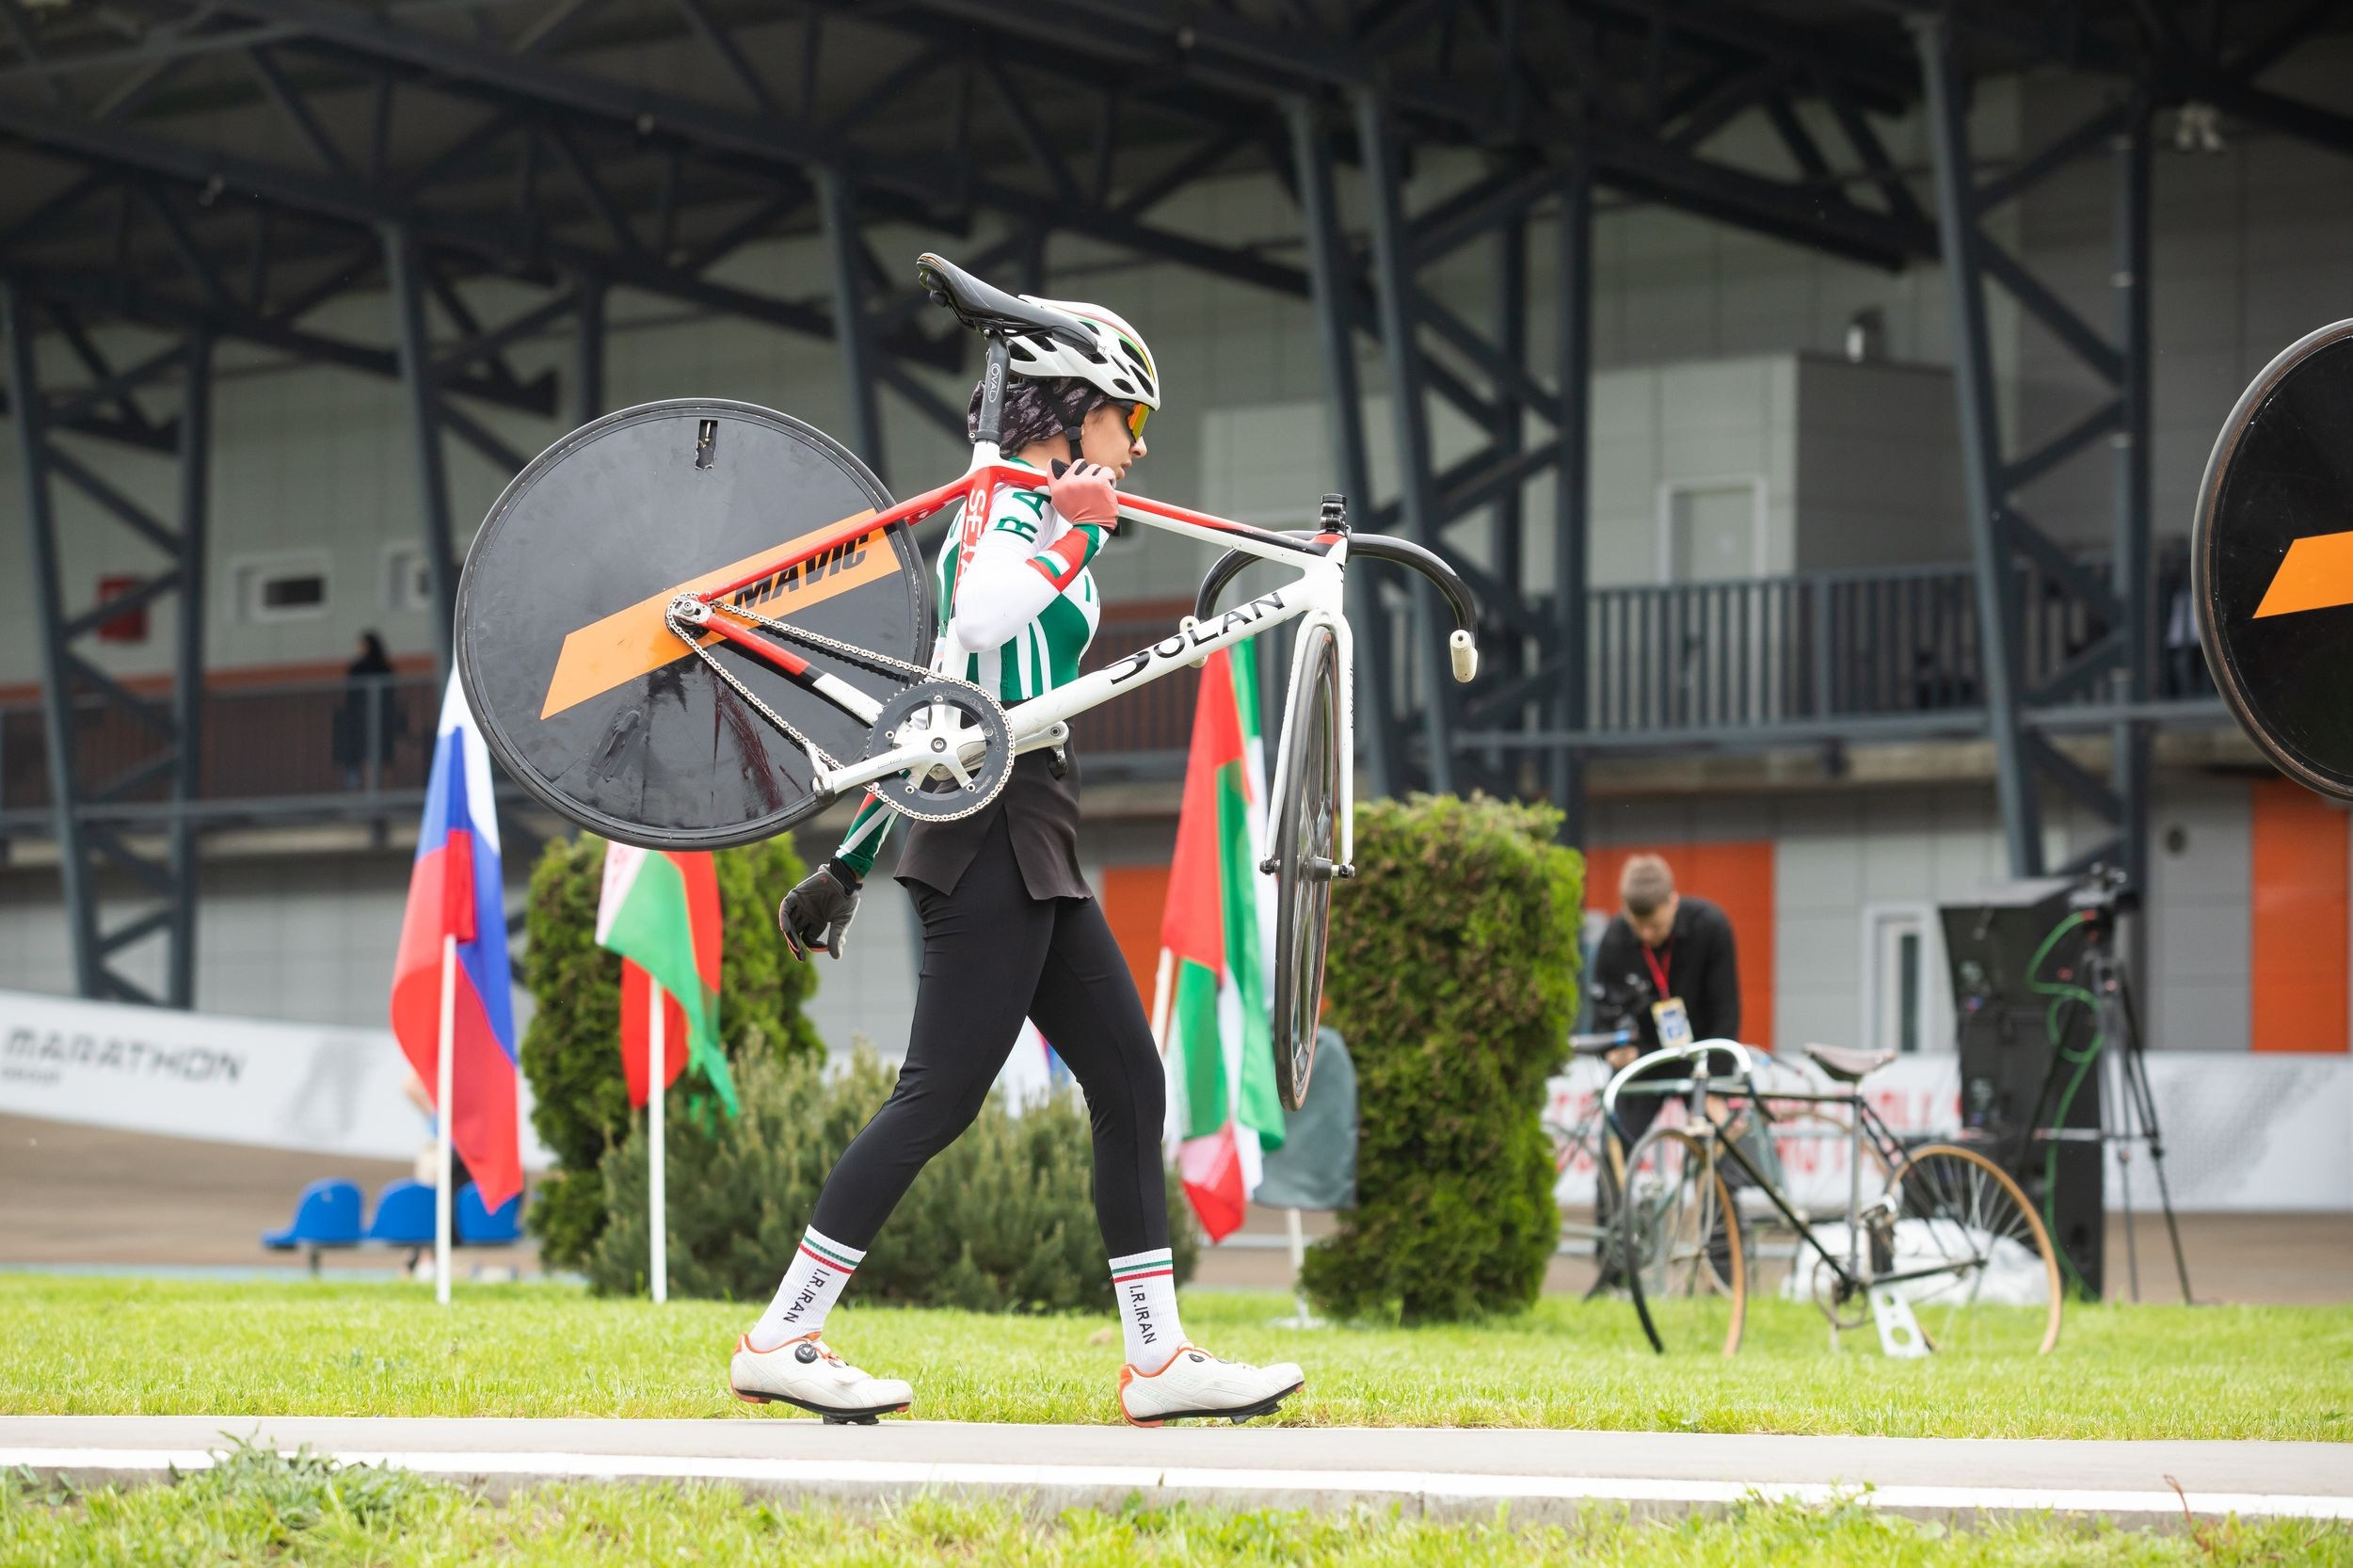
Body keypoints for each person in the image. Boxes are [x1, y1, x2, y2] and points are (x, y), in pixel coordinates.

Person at [737, 295, 1304, 1428]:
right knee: (939, 1096)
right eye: (1125, 420)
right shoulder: (1006, 508)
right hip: (992, 829)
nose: (1137, 447)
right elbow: (985, 617)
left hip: (1024, 815)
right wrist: (1081, 527)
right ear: (1077, 407)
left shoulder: (1031, 504)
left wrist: (847, 862)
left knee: (1128, 1078)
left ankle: (1157, 1361)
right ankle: (784, 1335)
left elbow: (940, 704)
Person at [1589, 854, 1742, 1154]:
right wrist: (1614, 1051)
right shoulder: (1615, 938)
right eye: (1638, 926)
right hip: (1644, 1058)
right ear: (1625, 911)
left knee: (1717, 1146)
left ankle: (1721, 1197)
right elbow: (1602, 1012)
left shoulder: (1711, 927)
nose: (1647, 935)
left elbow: (1727, 1012)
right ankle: (1613, 1201)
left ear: (1673, 901)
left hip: (1701, 1055)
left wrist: (1715, 1083)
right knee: (1613, 1148)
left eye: (1655, 926)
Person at [333, 632, 400, 789]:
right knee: (374, 756)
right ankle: (374, 792)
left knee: (376, 756)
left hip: (373, 719)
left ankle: (377, 793)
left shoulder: (364, 668)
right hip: (371, 719)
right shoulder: (382, 667)